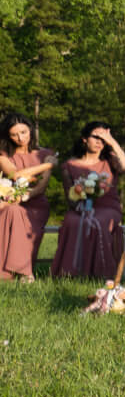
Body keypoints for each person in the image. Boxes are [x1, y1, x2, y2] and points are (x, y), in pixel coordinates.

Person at [52, 121, 125, 279]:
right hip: (80, 207)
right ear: (84, 139)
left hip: (108, 208)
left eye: (103, 139)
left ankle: (101, 273)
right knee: (71, 221)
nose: (99, 142)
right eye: (96, 137)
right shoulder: (70, 165)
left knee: (98, 221)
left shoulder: (110, 161)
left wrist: (112, 141)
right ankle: (70, 273)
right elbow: (70, 196)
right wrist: (80, 207)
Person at [0, 113, 53, 281]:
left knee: (17, 211)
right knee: (14, 211)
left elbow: (41, 187)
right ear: (8, 136)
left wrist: (25, 197)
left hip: (36, 205)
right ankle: (22, 272)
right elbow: (16, 175)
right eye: (14, 134)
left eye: (23, 132)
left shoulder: (43, 153)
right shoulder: (3, 155)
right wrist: (48, 164)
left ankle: (20, 270)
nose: (20, 138)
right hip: (10, 203)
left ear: (30, 130)